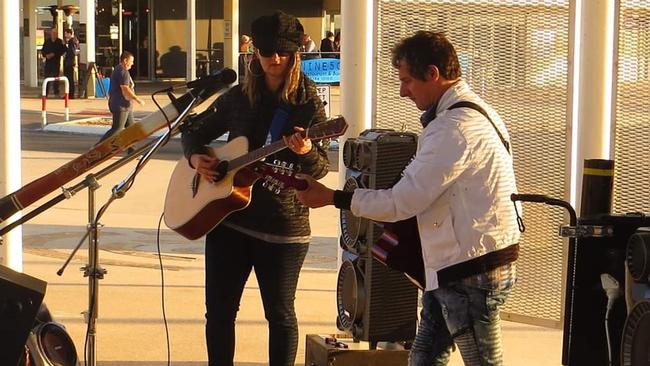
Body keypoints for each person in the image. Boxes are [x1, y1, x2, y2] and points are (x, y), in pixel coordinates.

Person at [296, 31, 521, 366]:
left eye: (407, 81)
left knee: (482, 361)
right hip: (458, 265)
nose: (403, 91)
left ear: (433, 74)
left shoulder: (455, 128)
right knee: (424, 356)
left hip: (469, 269)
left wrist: (333, 197)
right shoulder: (475, 112)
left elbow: (402, 202)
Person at [181, 11, 328, 366]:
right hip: (227, 218)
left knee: (279, 315)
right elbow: (193, 130)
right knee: (218, 313)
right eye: (266, 51)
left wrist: (306, 150)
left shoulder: (307, 101)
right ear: (254, 53)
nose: (274, 59)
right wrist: (196, 157)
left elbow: (321, 166)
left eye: (282, 52)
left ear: (295, 54)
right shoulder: (238, 96)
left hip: (282, 226)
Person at [99, 51, 145, 143]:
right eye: (131, 61)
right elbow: (125, 89)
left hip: (125, 105)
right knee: (117, 128)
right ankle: (98, 147)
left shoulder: (118, 69)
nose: (132, 64)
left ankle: (132, 151)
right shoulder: (123, 72)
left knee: (131, 130)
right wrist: (137, 99)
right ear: (125, 60)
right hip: (121, 105)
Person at [41, 28, 66, 97]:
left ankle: (56, 92)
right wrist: (46, 55)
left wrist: (54, 54)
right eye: (53, 33)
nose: (54, 34)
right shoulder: (47, 41)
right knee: (46, 77)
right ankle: (45, 93)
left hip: (56, 62)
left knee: (56, 78)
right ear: (51, 33)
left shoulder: (59, 41)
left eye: (55, 33)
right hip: (48, 62)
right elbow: (43, 50)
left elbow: (63, 50)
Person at [63, 29, 78, 99]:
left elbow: (71, 52)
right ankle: (69, 94)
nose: (65, 35)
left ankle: (70, 94)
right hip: (69, 62)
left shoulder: (71, 42)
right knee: (69, 79)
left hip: (69, 63)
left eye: (66, 34)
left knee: (69, 79)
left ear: (69, 34)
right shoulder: (71, 42)